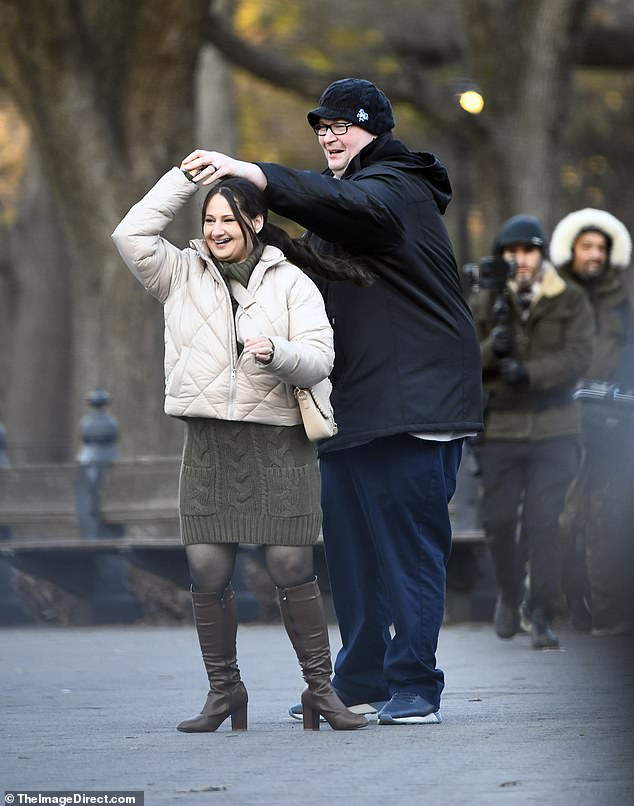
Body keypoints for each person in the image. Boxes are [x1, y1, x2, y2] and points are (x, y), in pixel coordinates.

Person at [180, 77, 483, 725]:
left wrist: (257, 173)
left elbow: (354, 212)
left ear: (376, 129)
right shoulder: (349, 206)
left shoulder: (397, 189)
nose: (329, 135)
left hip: (418, 404)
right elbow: (318, 261)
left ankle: (416, 683)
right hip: (354, 407)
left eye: (343, 125)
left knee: (407, 550)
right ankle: (362, 674)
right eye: (321, 127)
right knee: (351, 554)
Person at [112, 167, 368, 732]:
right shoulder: (179, 272)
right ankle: (225, 690)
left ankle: (321, 691)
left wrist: (276, 351)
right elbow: (130, 235)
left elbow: (320, 360)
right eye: (209, 219)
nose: (217, 229)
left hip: (279, 439)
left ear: (256, 222)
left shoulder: (292, 283)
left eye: (229, 218)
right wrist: (182, 179)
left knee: (289, 562)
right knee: (205, 568)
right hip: (209, 442)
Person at [469, 215, 594, 648]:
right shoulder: (485, 299)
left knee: (545, 523)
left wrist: (531, 373)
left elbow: (580, 355)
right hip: (500, 427)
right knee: (500, 521)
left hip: (554, 426)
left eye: (527, 251)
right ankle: (509, 591)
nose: (519, 260)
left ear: (541, 254)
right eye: (511, 251)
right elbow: (460, 353)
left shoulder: (569, 298)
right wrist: (491, 350)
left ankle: (542, 611)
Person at [550, 208, 633, 636]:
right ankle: (557, 604)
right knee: (562, 518)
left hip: (614, 422)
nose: (595, 254)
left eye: (601, 247)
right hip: (562, 419)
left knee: (608, 513)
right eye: (587, 246)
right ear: (573, 251)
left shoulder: (624, 301)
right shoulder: (554, 294)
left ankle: (607, 610)